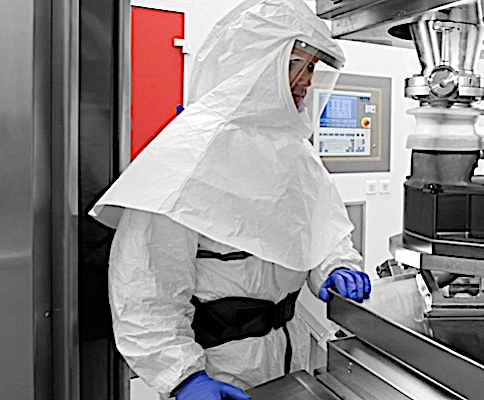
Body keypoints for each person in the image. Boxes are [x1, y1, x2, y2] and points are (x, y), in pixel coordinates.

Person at [90, 0, 371, 398]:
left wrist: (335, 266)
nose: (306, 80)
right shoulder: (184, 160)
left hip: (289, 354)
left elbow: (321, 232)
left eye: (311, 67)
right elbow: (144, 288)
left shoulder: (295, 153)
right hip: (217, 368)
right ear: (254, 64)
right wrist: (184, 378)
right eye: (295, 64)